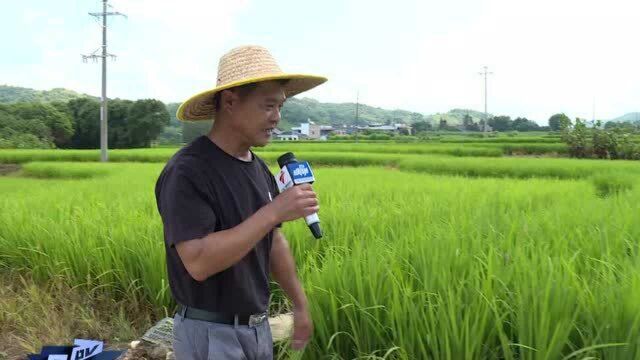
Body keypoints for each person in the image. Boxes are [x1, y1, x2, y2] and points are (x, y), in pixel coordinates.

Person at [154, 45, 327, 359]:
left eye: (280, 107)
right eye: (268, 106)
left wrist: (300, 306)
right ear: (231, 101)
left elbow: (274, 241)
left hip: (257, 330)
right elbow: (199, 262)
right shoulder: (189, 170)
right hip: (209, 334)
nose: (277, 117)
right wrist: (274, 210)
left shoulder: (258, 168)